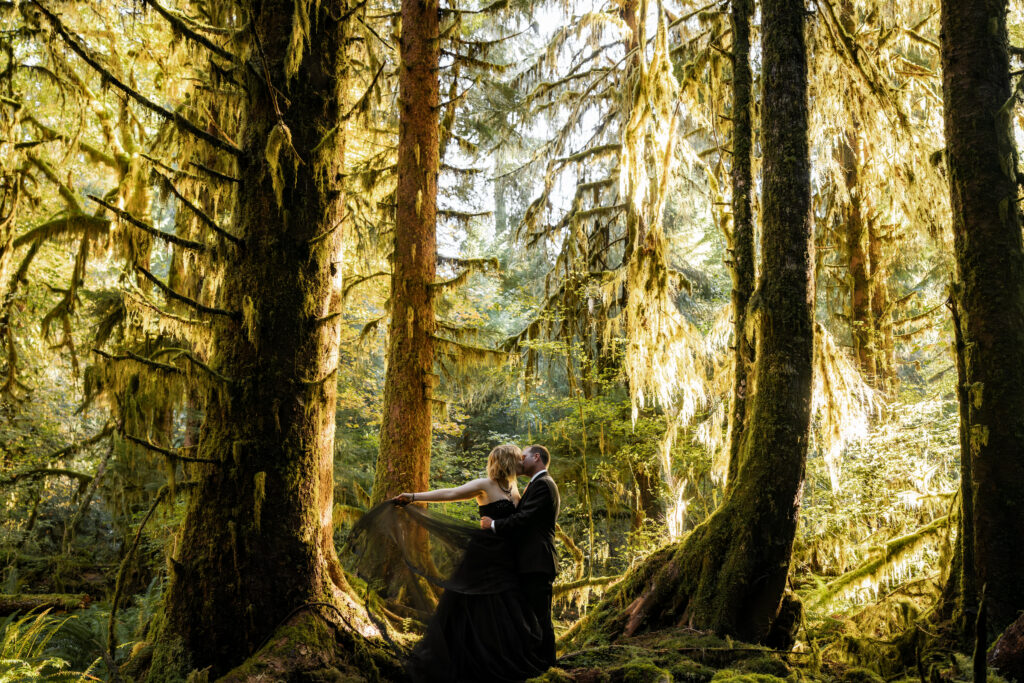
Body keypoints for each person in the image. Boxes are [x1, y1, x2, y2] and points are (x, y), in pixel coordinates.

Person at [382, 444, 547, 682]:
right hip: (483, 556)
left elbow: (523, 517)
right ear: (508, 461)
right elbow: (451, 493)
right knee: (474, 605)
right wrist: (414, 497)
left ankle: (500, 657)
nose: (523, 462)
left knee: (506, 606)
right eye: (519, 459)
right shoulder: (484, 485)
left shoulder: (514, 487)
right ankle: (467, 660)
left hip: (507, 558)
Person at [481, 444, 560, 668]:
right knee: (531, 617)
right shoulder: (535, 484)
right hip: (531, 562)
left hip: (538, 562)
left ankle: (549, 667)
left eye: (523, 457)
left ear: (536, 458)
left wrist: (493, 524)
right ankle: (536, 664)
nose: (519, 461)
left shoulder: (544, 484)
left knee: (541, 618)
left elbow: (523, 518)